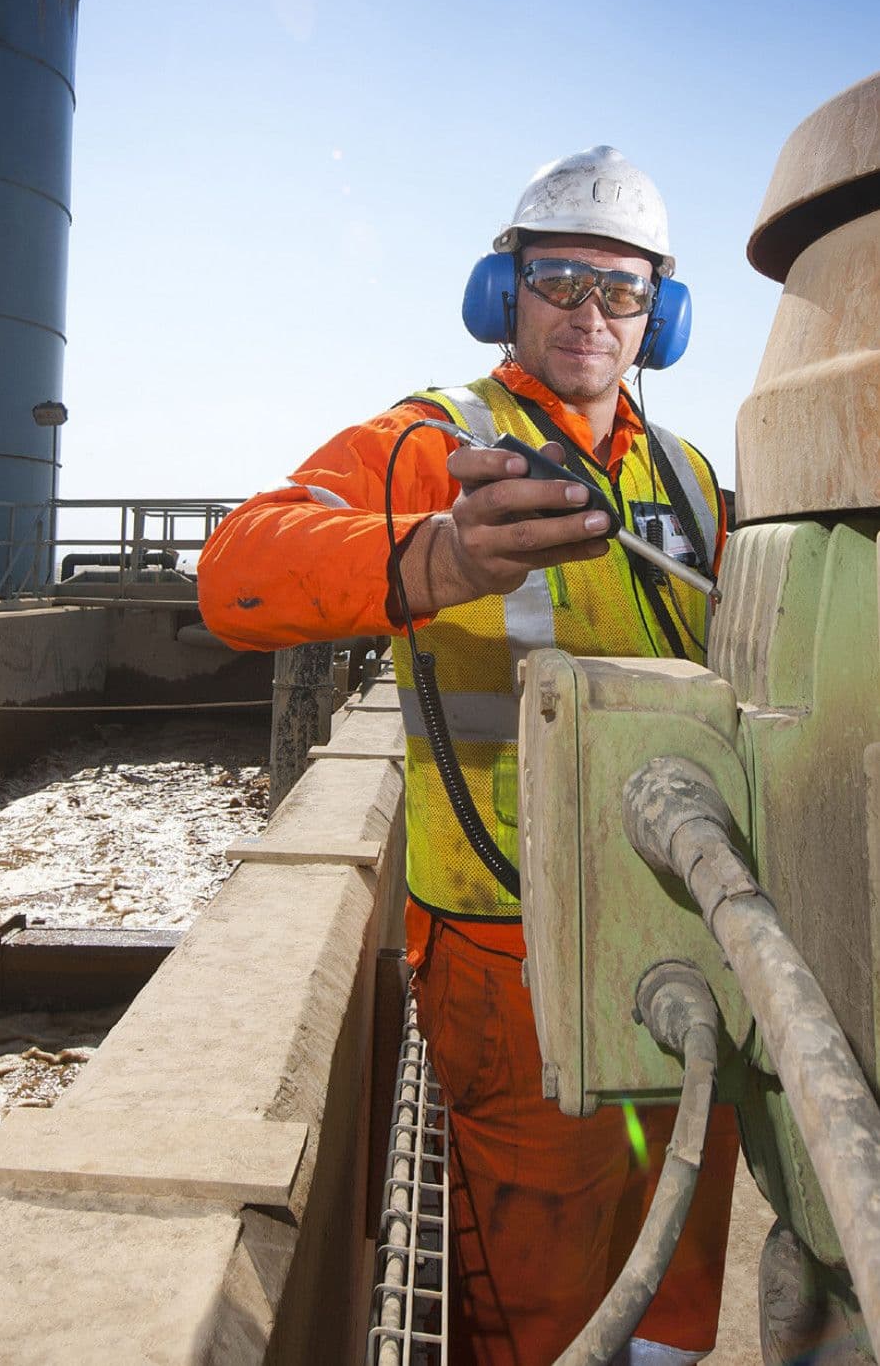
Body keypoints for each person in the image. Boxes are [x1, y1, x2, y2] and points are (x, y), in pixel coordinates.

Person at [198, 146, 740, 1366]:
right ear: (503, 291)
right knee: (537, 1293)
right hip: (511, 952)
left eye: (621, 290)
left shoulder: (693, 483)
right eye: (558, 280)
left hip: (682, 931)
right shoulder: (438, 439)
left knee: (678, 1248)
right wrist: (429, 558)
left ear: (662, 316)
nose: (589, 315)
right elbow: (234, 569)